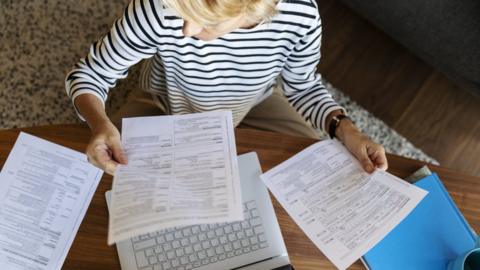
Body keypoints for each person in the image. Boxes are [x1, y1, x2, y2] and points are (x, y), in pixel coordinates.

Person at [65, 0, 388, 175]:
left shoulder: (300, 14)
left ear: (253, 7)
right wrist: (99, 122)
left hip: (256, 105)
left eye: (204, 20)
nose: (187, 29)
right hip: (164, 103)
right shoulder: (158, 9)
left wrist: (346, 130)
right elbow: (89, 75)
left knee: (314, 171)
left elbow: (302, 86)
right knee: (104, 179)